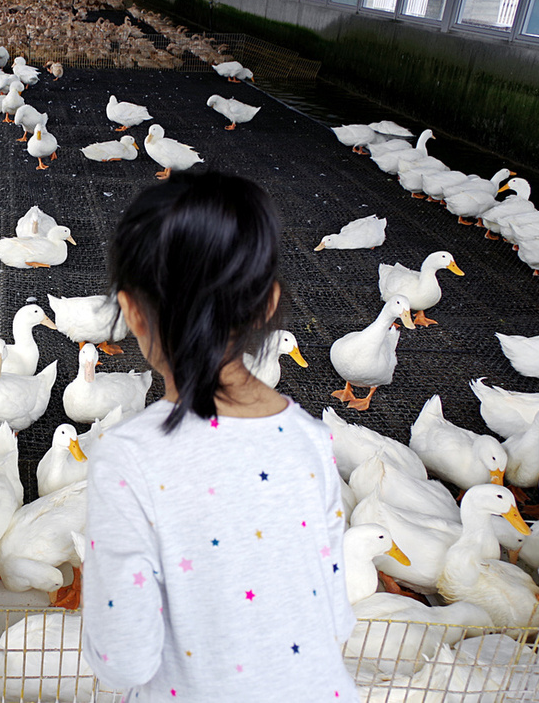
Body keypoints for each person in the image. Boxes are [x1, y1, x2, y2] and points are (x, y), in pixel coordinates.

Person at [81, 173, 358, 702]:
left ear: (132, 312)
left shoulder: (128, 458)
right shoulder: (312, 439)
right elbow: (335, 618)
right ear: (268, 304)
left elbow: (124, 658)